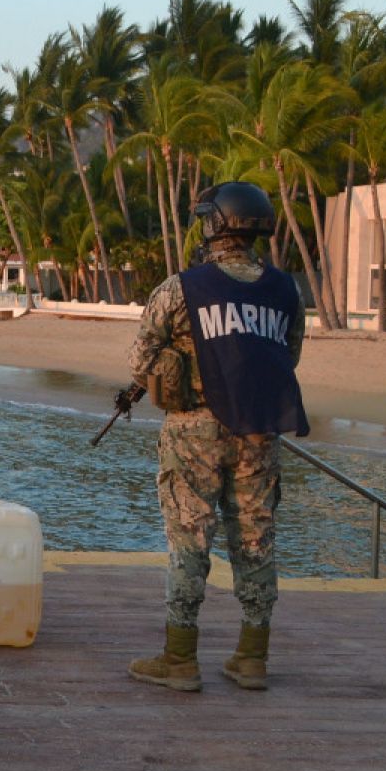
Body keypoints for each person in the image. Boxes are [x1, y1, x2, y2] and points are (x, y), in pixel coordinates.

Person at [121, 181, 308, 693]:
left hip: (193, 433)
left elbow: (140, 361)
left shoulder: (180, 288)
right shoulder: (288, 290)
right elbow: (287, 356)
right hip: (259, 432)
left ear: (217, 225)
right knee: (255, 542)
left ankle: (179, 657)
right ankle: (252, 658)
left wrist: (178, 364)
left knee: (190, 542)